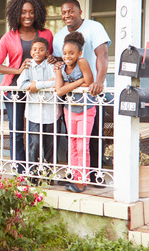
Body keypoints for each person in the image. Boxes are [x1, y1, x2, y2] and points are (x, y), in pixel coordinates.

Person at [0, 0, 54, 175]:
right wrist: (17, 71)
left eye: (31, 12)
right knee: (17, 131)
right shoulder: (9, 37)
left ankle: (42, 169)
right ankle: (21, 170)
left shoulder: (46, 34)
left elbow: (55, 59)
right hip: (14, 90)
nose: (28, 16)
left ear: (37, 14)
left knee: (42, 130)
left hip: (40, 91)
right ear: (16, 14)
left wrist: (52, 58)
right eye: (24, 12)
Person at [52, 0, 111, 184]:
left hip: (92, 93)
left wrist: (99, 82)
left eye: (70, 11)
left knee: (91, 138)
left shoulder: (94, 27)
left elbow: (102, 54)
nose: (67, 15)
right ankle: (76, 175)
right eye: (63, 12)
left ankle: (94, 177)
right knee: (73, 139)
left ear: (80, 11)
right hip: (70, 97)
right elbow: (59, 60)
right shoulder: (59, 36)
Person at [55, 32, 95, 193]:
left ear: (79, 53)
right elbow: (59, 91)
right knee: (72, 144)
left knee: (82, 144)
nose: (67, 56)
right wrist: (79, 82)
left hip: (86, 108)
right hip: (69, 109)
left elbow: (90, 82)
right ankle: (74, 176)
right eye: (64, 53)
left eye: (71, 53)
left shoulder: (82, 62)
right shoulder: (60, 67)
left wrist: (69, 84)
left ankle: (82, 181)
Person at [17, 37, 60, 180]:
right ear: (31, 51)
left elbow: (57, 83)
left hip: (51, 112)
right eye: (35, 49)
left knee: (50, 145)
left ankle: (48, 176)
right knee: (34, 144)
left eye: (41, 49)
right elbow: (21, 85)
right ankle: (32, 176)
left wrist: (35, 84)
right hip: (34, 113)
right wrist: (43, 84)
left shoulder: (52, 66)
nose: (37, 52)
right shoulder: (28, 66)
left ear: (47, 52)